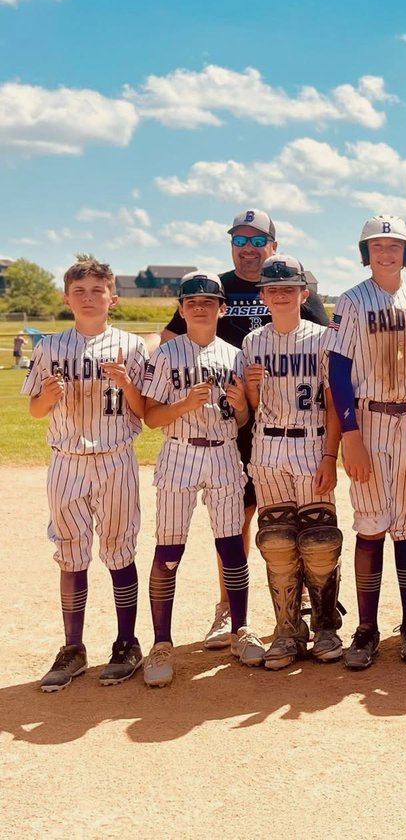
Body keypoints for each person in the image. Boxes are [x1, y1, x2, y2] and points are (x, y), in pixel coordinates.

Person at [160, 208, 329, 651]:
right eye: (240, 240)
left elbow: (325, 350)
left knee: (305, 521)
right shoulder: (213, 288)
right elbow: (169, 338)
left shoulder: (295, 287)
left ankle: (309, 608)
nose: (248, 248)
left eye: (257, 241)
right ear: (230, 245)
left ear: (273, 245)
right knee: (242, 522)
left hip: (288, 419)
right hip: (230, 425)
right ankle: (229, 610)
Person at [326, 216, 406, 670]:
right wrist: (350, 434)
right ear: (366, 252)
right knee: (371, 522)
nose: (386, 252)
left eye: (395, 245)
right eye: (377, 245)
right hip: (369, 418)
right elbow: (338, 369)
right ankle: (367, 627)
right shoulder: (353, 301)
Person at [24, 260, 149, 691]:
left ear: (112, 298)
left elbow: (144, 413)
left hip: (116, 456)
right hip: (67, 460)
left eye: (98, 289)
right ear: (66, 299)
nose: (89, 296)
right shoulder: (49, 347)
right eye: (80, 290)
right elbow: (35, 410)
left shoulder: (131, 346)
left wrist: (127, 383)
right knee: (71, 552)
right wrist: (47, 395)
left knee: (119, 548)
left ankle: (127, 642)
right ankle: (73, 647)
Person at [141, 272, 266, 686]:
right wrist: (181, 405)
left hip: (225, 453)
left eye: (208, 300)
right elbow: (150, 417)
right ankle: (161, 643)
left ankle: (240, 629)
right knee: (169, 550)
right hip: (179, 451)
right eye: (191, 300)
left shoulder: (235, 354)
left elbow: (245, 419)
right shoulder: (166, 353)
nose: (199, 306)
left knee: (232, 546)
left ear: (222, 308)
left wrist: (242, 405)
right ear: (180, 309)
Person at [241, 254, 345, 670]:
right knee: (278, 542)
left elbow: (336, 403)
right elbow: (253, 409)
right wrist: (248, 393)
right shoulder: (253, 342)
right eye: (272, 288)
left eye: (289, 288)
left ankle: (324, 627)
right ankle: (287, 630)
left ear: (304, 293)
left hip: (312, 442)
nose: (280, 294)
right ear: (263, 295)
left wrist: (330, 455)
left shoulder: (322, 338)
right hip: (267, 447)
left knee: (320, 541)